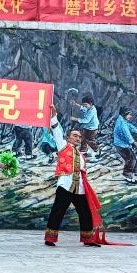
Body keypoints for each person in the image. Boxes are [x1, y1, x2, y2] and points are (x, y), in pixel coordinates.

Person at [43, 105, 100, 247]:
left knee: (85, 212)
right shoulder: (63, 146)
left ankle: (88, 239)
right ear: (68, 137)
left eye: (79, 136)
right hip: (66, 185)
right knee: (58, 211)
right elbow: (56, 130)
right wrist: (53, 116)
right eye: (75, 136)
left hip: (79, 187)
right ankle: (50, 238)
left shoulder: (81, 155)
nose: (78, 138)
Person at [112, 107, 137, 184]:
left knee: (133, 157)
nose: (130, 116)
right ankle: (127, 175)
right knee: (131, 160)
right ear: (124, 114)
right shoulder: (122, 124)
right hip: (121, 145)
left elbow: (130, 127)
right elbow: (127, 134)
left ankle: (135, 171)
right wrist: (133, 142)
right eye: (129, 114)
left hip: (123, 144)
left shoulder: (122, 120)